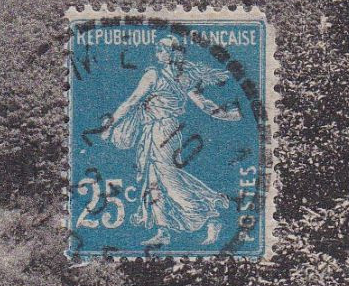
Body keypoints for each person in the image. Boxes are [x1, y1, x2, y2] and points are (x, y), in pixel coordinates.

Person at [100, 34, 243, 248]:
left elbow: (132, 101)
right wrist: (229, 115)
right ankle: (163, 230)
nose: (158, 52)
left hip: (162, 130)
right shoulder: (175, 77)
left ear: (173, 54)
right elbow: (202, 103)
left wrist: (111, 122)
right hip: (159, 130)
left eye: (163, 49)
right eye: (158, 48)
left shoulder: (158, 76)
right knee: (153, 179)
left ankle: (210, 213)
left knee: (168, 179)